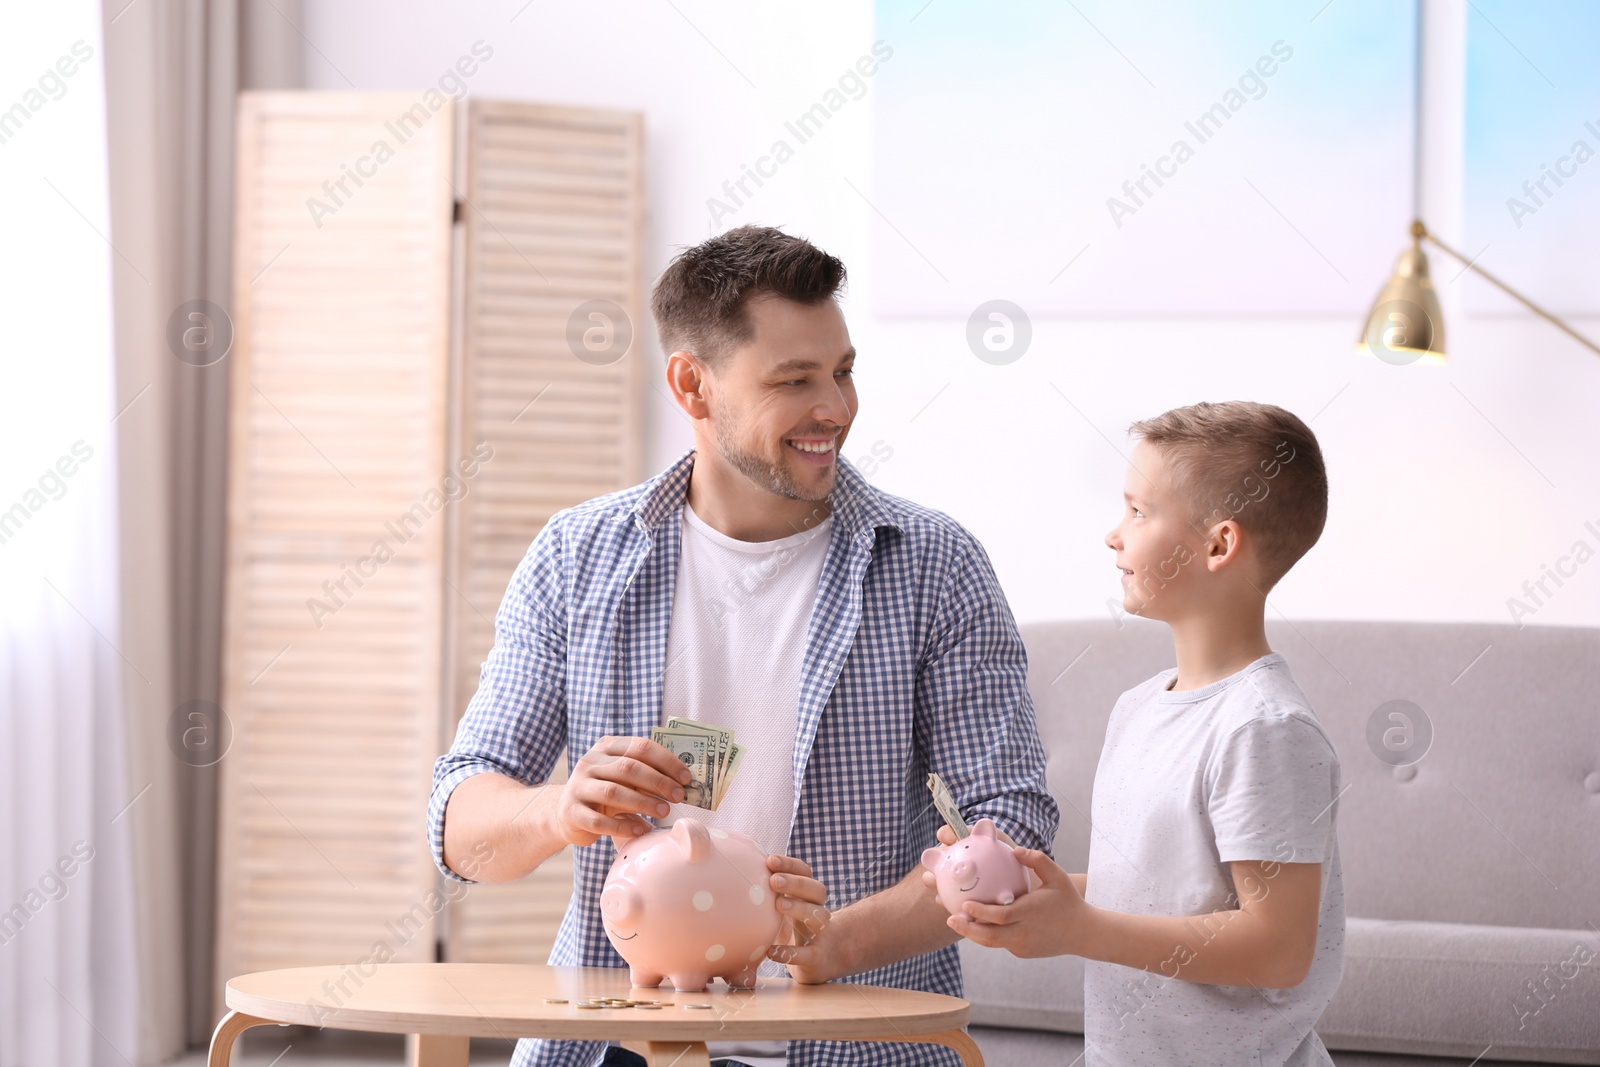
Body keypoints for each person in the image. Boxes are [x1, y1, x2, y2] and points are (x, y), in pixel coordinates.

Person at [427, 224, 1059, 1067]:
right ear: (692, 385)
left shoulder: (933, 565)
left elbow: (1011, 833)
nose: (834, 408)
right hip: (617, 1042)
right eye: (794, 380)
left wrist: (837, 940)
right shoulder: (578, 556)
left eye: (842, 371)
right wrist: (558, 808)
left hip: (854, 1046)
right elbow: (460, 825)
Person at [936, 401, 1344, 1064]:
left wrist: (1082, 928)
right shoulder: (1138, 706)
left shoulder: (1265, 729)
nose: (1114, 534)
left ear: (1219, 544)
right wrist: (1033, 887)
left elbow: (1279, 946)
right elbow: (1161, 889)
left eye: (1138, 510)